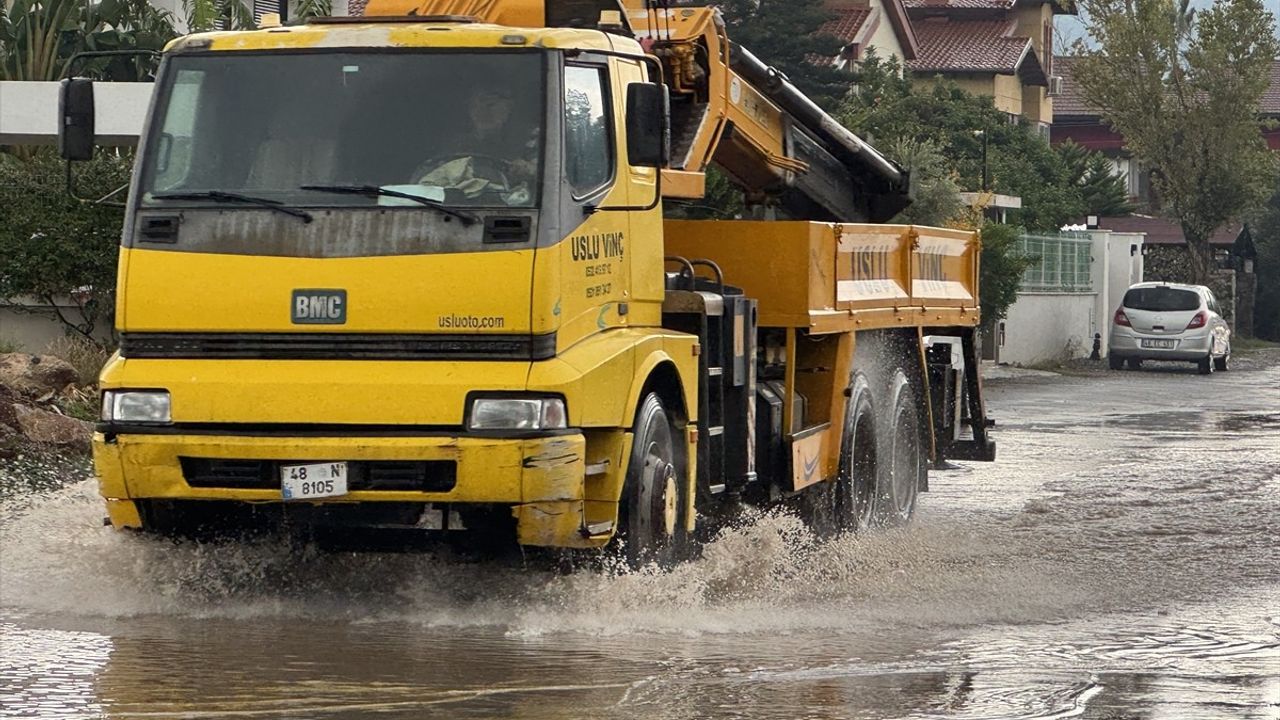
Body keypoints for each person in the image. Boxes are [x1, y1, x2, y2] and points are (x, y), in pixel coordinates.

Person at [414, 86, 539, 202]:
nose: (481, 111)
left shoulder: (532, 136)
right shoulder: (457, 143)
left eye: (490, 105)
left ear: (509, 106)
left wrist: (529, 170)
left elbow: (550, 175)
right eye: (474, 106)